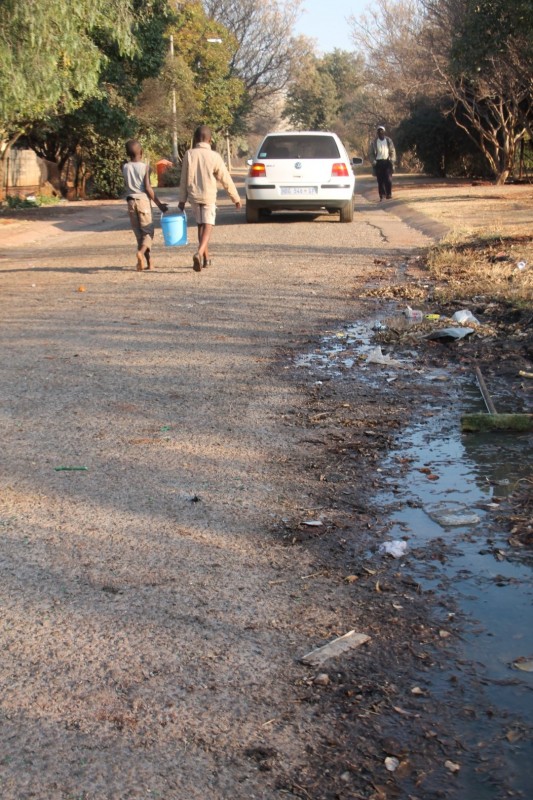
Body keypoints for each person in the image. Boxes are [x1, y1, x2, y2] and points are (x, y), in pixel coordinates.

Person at [178, 125, 241, 272]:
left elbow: (183, 179)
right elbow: (225, 179)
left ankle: (205, 259)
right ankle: (199, 253)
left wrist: (182, 200)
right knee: (208, 225)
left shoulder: (189, 154)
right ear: (210, 140)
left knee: (200, 225)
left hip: (193, 196)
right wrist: (235, 198)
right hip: (208, 196)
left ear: (195, 139)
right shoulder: (214, 157)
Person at [122, 140, 168, 271]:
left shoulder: (124, 167)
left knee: (139, 235)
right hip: (143, 202)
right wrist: (159, 205)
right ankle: (141, 254)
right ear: (141, 152)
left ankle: (147, 263)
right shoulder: (145, 168)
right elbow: (148, 188)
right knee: (148, 233)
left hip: (130, 202)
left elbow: (125, 168)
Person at [370, 125, 396, 201]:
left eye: (382, 131)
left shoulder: (388, 141)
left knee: (388, 179)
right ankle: (382, 195)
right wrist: (373, 161)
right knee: (380, 180)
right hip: (378, 162)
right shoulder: (374, 142)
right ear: (377, 133)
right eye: (379, 131)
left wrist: (392, 159)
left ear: (384, 132)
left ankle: (389, 194)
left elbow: (392, 151)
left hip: (387, 161)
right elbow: (371, 154)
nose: (380, 133)